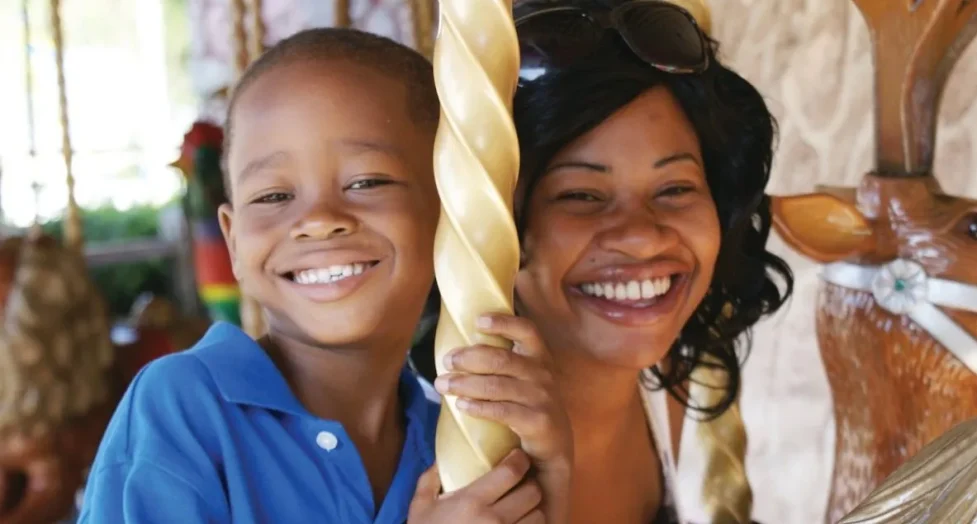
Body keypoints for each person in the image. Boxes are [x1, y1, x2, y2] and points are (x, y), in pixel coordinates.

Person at [79, 28, 571, 524]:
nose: (318, 218)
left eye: (366, 182)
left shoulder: (456, 441)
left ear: (451, 213)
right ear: (232, 239)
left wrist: (552, 479)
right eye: (273, 196)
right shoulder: (185, 407)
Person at [410, 1, 793, 522]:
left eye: (675, 188)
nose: (640, 237)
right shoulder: (423, 448)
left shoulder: (681, 382)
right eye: (582, 196)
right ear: (496, 216)